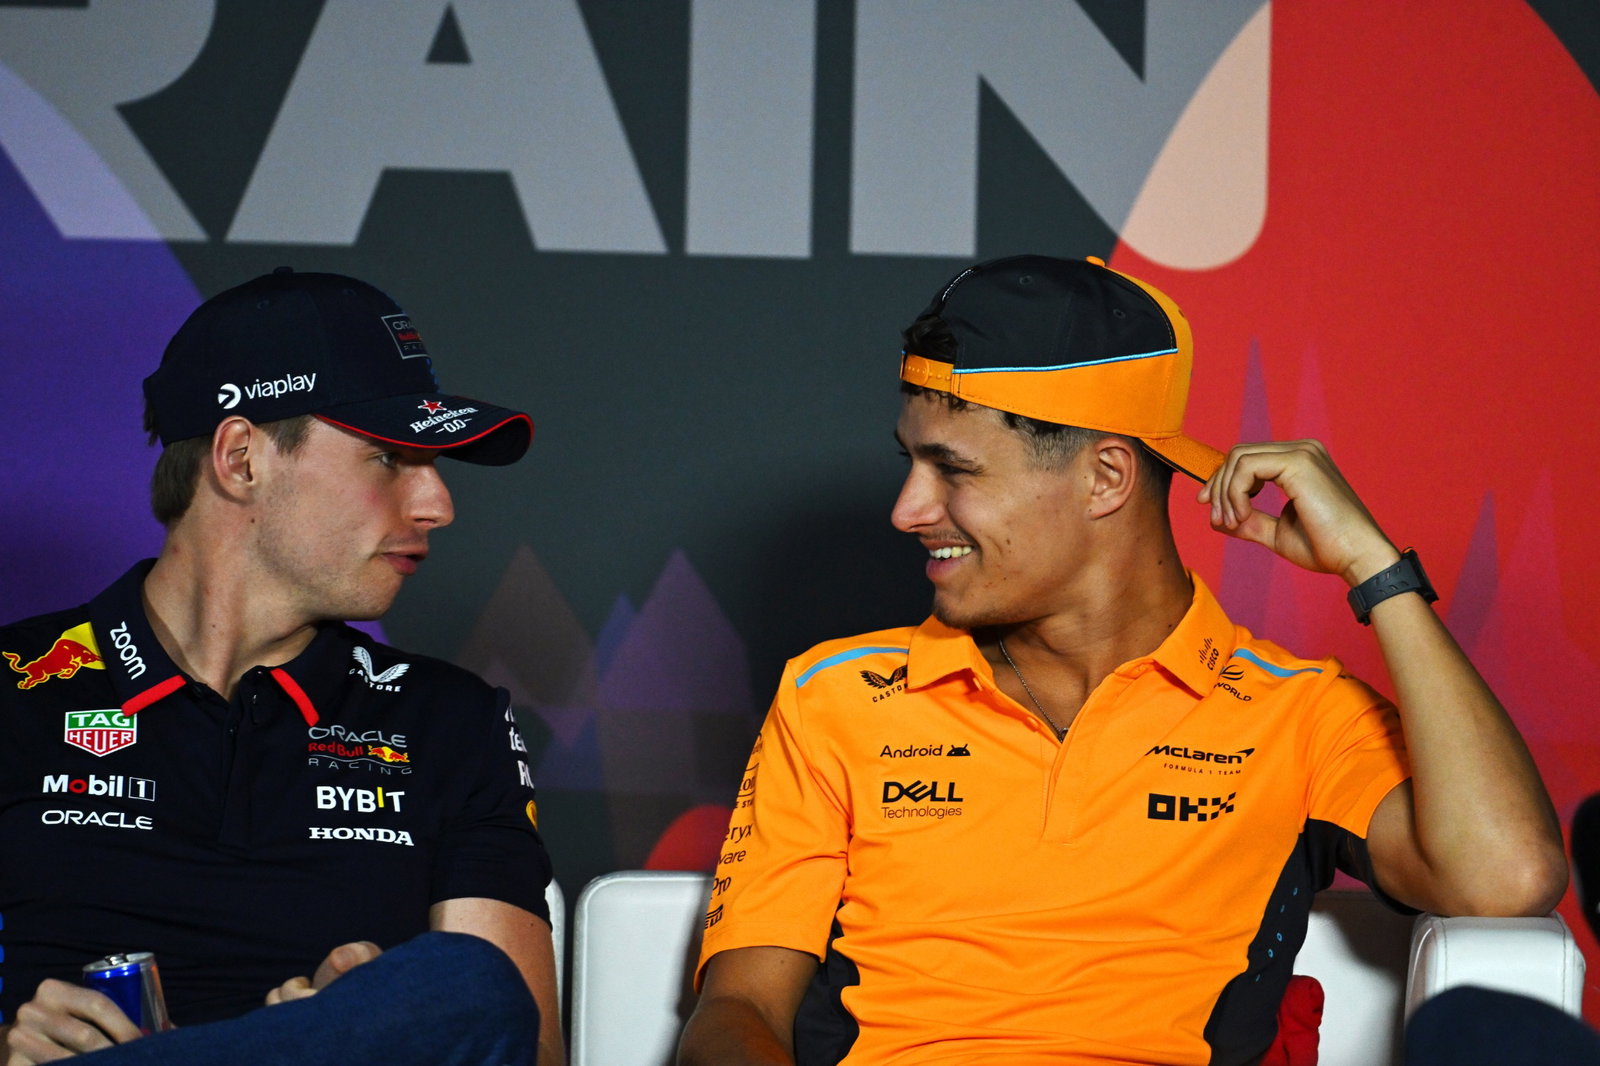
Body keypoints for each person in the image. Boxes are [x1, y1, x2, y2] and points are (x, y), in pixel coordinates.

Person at [678, 255, 1567, 1065]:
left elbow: (1507, 875)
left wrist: (1376, 570)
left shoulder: (1301, 715)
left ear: (1107, 477)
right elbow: (736, 1014)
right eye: (910, 463)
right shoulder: (832, 695)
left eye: (955, 470)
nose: (909, 509)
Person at [0, 268, 563, 1065]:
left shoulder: (448, 718)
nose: (437, 503)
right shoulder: (14, 688)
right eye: (388, 458)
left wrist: (341, 1030)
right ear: (241, 459)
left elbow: (520, 1043)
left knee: (467, 980)